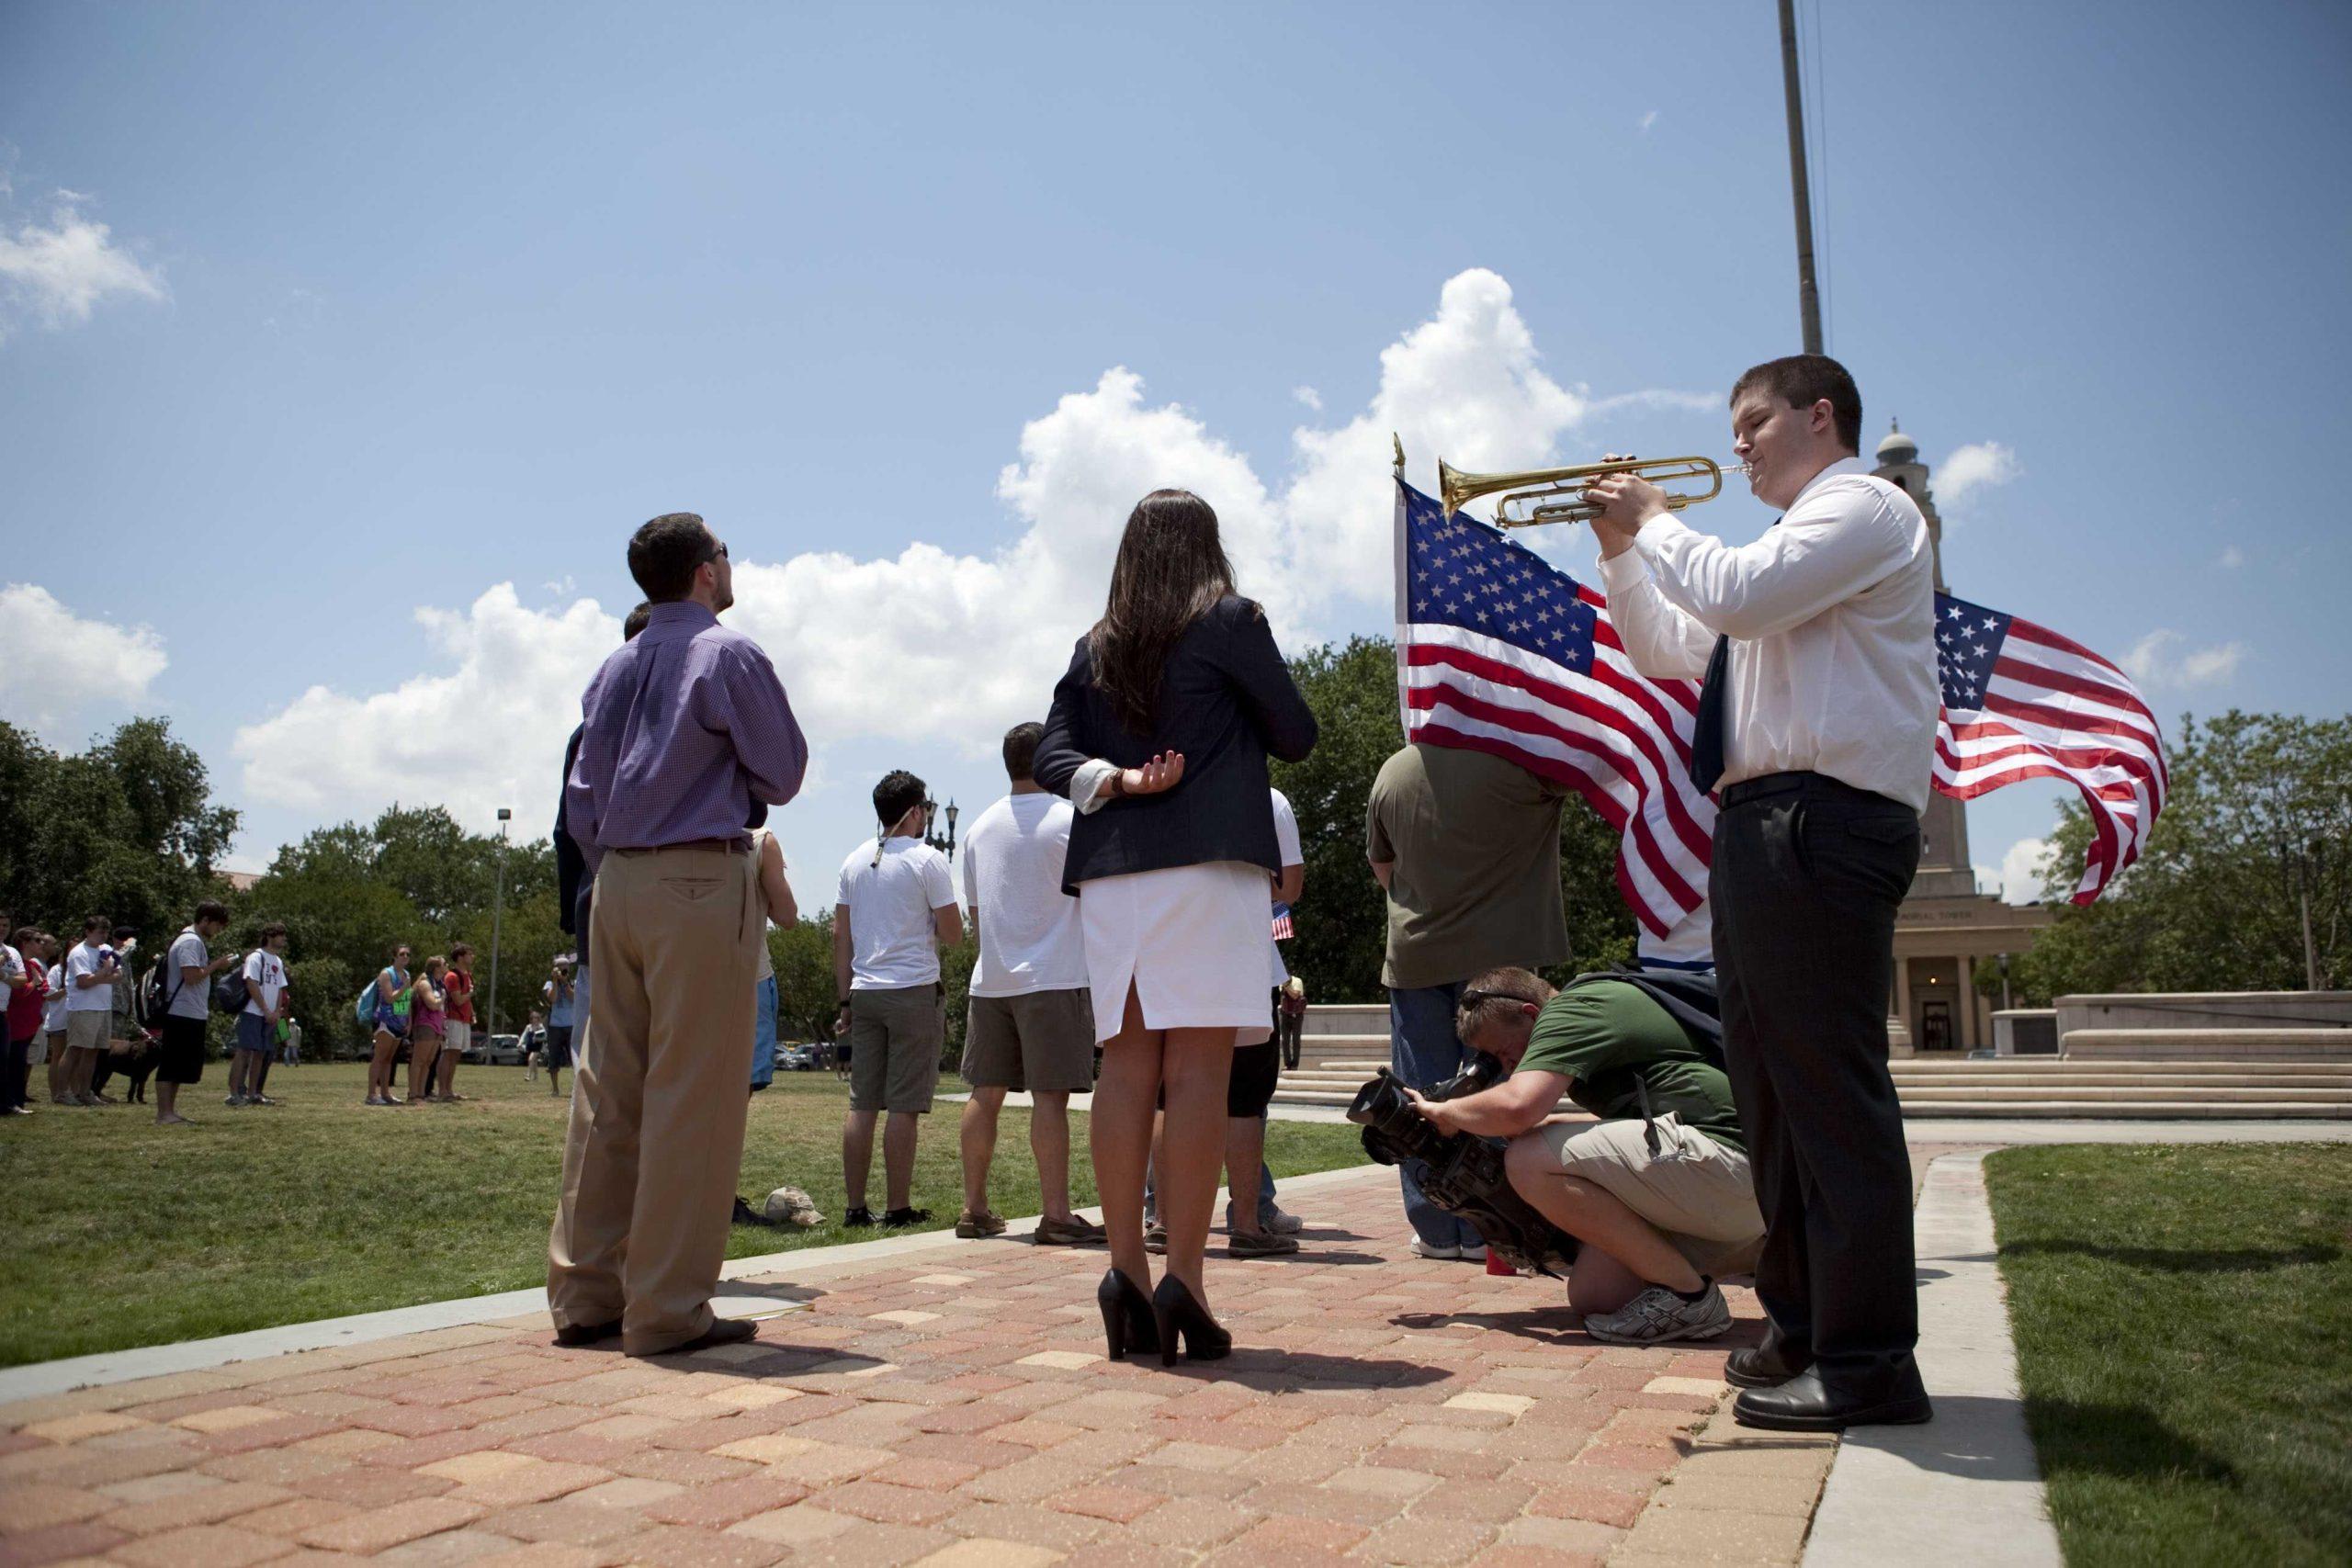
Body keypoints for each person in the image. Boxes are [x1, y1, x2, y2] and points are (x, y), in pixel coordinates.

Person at [1583, 353, 1938, 1432]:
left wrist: (1651, 516)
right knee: (1770, 1098)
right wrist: (1619, 552)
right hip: (1761, 823)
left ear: (1818, 416)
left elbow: (1735, 591)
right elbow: (1665, 648)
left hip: (1825, 819)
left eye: (1752, 423)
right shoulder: (1784, 558)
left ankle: (1871, 1363)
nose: (1734, 444)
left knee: (1828, 1095)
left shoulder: (1864, 507)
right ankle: (1803, 1324)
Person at [1035, 488, 1317, 1365]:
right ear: (1207, 545)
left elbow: (1050, 752)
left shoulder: (1097, 642)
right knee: (1198, 1071)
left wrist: (1114, 779)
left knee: (1125, 1065)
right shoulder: (1230, 619)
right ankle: (1183, 1280)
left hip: (1116, 870)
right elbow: (1298, 732)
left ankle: (1123, 1272)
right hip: (1207, 865)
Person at [548, 511, 808, 1358]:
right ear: (706, 571)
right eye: (726, 552)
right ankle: (665, 1308)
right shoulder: (727, 653)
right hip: (699, 873)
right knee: (692, 1096)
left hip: (614, 879)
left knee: (607, 1092)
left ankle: (587, 1293)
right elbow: (783, 771)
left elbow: (580, 795)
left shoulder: (615, 664)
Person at [1418, 964, 1764, 1343]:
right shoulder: (1593, 1011)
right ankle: (1760, 1256)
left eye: (1503, 1052)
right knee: (1597, 1294)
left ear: (1532, 1014)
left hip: (1732, 1159)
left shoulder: (1575, 1007)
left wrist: (1445, 1113)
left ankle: (1690, 1297)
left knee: (1529, 1160)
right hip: (1734, 1183)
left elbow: (1520, 1107)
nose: (1506, 1066)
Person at [1366, 742, 1571, 1259]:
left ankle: (1437, 1229)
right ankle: (1496, 1224)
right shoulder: (1521, 760)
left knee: (1417, 1095)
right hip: (1500, 958)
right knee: (1496, 1081)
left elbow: (1382, 865)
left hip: (1417, 953)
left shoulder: (1393, 771)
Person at [956, 722, 1104, 1247]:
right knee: (1050, 1098)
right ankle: (1057, 1214)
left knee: (985, 1093)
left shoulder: (977, 829)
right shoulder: (1070, 819)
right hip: (1056, 977)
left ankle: (973, 1208)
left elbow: (976, 913)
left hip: (991, 978)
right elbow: (1097, 898)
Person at [833, 770, 962, 1228]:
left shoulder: (853, 861)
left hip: (864, 993)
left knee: (862, 1103)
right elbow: (953, 934)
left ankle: (854, 1208)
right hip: (912, 992)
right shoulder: (928, 860)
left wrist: (843, 1001)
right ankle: (897, 1207)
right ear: (914, 811)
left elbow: (841, 938)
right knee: (904, 1106)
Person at [159, 902, 237, 1123]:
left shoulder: (192, 940)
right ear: (205, 920)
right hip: (181, 1011)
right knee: (171, 1064)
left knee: (179, 1067)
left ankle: (170, 1112)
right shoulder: (190, 942)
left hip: (190, 1011)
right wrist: (217, 965)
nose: (217, 932)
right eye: (217, 926)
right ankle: (164, 1113)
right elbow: (191, 976)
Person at [750, 822, 799, 1093]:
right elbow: (787, 916)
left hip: (684, 972)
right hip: (750, 974)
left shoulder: (675, 828)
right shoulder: (760, 840)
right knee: (742, 1084)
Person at [226, 925, 292, 1106]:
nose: (284, 939)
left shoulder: (278, 961)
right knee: (244, 1051)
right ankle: (234, 1094)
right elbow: (251, 983)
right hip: (252, 1012)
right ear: (270, 936)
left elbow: (280, 988)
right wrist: (265, 1009)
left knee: (261, 1054)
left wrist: (277, 1012)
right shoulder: (256, 957)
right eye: (281, 935)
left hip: (270, 1016)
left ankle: (253, 1093)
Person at [59, 916, 121, 1107]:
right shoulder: (79, 953)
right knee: (75, 1049)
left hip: (103, 1006)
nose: (103, 936)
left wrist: (101, 976)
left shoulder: (107, 950)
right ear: (88, 932)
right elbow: (83, 982)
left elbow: (119, 975)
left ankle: (85, 1092)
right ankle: (62, 1092)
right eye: (99, 932)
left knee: (93, 1051)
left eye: (106, 932)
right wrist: (103, 974)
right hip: (83, 1007)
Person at [4, 924, 46, 1114]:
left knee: (20, 1064)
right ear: (25, 943)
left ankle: (18, 1102)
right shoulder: (18, 963)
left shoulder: (33, 965)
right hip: (16, 1021)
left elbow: (43, 990)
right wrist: (33, 983)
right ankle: (11, 1102)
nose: (41, 944)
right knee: (14, 1063)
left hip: (30, 1021)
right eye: (37, 940)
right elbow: (18, 994)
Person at [366, 942, 413, 1107]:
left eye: (407, 954)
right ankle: (371, 1095)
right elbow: (389, 998)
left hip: (400, 1022)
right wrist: (405, 986)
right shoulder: (386, 974)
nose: (405, 957)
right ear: (394, 956)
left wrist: (409, 1021)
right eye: (402, 954)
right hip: (385, 1021)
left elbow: (407, 1000)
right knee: (379, 1057)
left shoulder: (406, 974)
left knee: (389, 1059)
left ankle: (385, 1093)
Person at [405, 956, 449, 1102]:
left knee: (428, 1061)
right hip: (426, 1025)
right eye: (444, 964)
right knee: (419, 1060)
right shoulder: (425, 984)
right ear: (437, 968)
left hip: (438, 1026)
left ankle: (421, 1093)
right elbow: (432, 1004)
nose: (447, 965)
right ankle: (412, 1095)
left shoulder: (439, 984)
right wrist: (442, 998)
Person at [437, 942, 476, 1100]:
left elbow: (466, 1000)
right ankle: (442, 1090)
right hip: (453, 1019)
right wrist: (471, 994)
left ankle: (449, 1090)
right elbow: (458, 1000)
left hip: (464, 1019)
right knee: (448, 1054)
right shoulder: (452, 976)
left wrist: (472, 1013)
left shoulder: (468, 974)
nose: (472, 956)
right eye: (469, 953)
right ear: (460, 957)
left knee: (455, 1055)